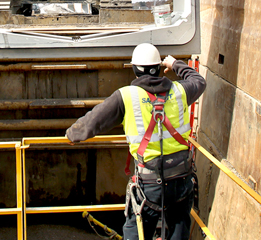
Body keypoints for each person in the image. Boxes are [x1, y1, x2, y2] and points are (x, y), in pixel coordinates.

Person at [66, 43, 206, 240]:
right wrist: (175, 64)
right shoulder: (179, 90)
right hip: (181, 177)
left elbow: (93, 122)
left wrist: (72, 135)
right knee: (179, 224)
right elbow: (198, 80)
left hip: (151, 183)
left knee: (136, 228)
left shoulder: (126, 96)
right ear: (158, 67)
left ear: (134, 69)